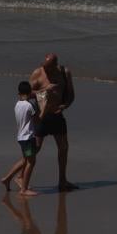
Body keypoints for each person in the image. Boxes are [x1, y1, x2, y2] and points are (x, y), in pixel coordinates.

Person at [30, 52, 77, 191]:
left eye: (49, 68)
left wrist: (65, 105)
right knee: (35, 149)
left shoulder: (64, 72)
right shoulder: (38, 73)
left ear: (55, 65)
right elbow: (26, 94)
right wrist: (45, 89)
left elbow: (71, 94)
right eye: (44, 67)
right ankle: (18, 176)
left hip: (57, 116)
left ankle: (62, 181)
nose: (46, 70)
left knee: (63, 148)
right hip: (42, 116)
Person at [1, 80, 41, 197]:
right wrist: (43, 108)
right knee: (31, 162)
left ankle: (7, 178)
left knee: (25, 160)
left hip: (21, 137)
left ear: (19, 93)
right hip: (28, 138)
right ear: (30, 93)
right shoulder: (29, 105)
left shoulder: (17, 105)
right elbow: (38, 120)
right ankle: (23, 189)